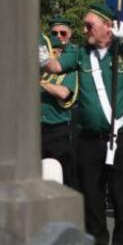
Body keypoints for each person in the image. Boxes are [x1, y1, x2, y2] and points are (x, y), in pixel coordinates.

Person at [42, 2, 123, 245]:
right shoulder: (82, 54)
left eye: (89, 25)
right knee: (91, 199)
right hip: (89, 139)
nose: (84, 30)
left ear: (108, 26)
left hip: (122, 137)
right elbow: (55, 67)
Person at [40, 34, 78, 188]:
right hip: (37, 129)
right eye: (51, 51)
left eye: (56, 52)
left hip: (59, 127)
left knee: (66, 175)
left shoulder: (68, 72)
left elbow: (63, 93)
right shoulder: (40, 71)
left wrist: (40, 83)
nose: (53, 55)